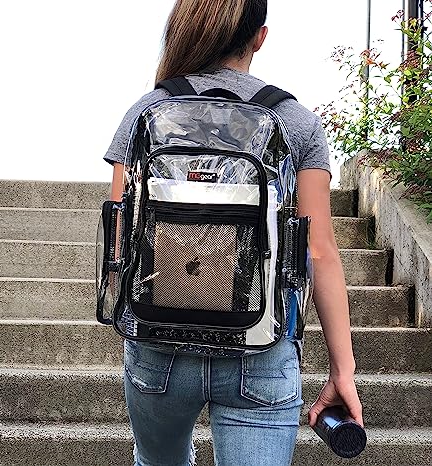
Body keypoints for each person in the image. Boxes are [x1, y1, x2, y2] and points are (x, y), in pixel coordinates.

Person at [103, 1, 363, 465]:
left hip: (158, 349)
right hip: (260, 351)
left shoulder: (147, 111)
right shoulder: (295, 121)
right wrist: (343, 368)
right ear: (259, 37)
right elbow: (319, 251)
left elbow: (122, 236)